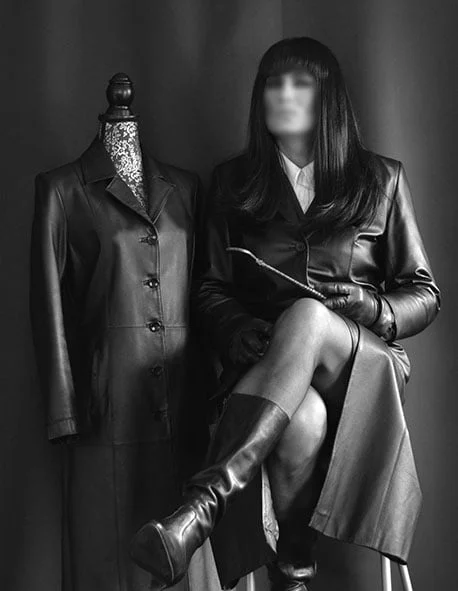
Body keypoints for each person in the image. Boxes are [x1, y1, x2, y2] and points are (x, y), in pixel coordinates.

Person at [129, 37, 441, 591]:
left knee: (310, 316)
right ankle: (294, 568)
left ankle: (201, 507)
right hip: (272, 371)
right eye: (273, 83)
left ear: (329, 98)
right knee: (304, 421)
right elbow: (210, 289)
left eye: (301, 83)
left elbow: (424, 293)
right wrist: (239, 329)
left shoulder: (381, 178)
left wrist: (372, 306)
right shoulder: (233, 182)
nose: (283, 94)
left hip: (362, 371)